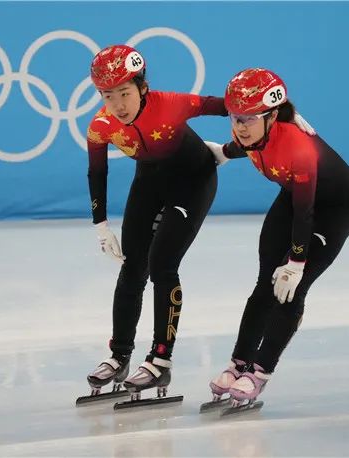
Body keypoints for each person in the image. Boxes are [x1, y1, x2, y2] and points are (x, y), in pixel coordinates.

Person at [205, 68, 349, 406]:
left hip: (334, 208)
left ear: (272, 116)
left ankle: (260, 371)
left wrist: (296, 261)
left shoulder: (299, 148)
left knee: (291, 287)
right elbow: (245, 144)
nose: (240, 126)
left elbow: (306, 213)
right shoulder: (254, 134)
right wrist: (222, 152)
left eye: (248, 118)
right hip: (294, 197)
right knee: (265, 283)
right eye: (235, 117)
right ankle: (239, 363)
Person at [85, 44, 229, 397]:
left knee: (163, 265)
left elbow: (226, 105)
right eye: (108, 95)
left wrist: (281, 114)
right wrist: (100, 224)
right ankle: (120, 355)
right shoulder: (101, 126)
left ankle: (160, 362)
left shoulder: (171, 103)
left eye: (124, 93)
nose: (118, 104)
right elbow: (96, 172)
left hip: (193, 181)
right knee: (133, 267)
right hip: (149, 181)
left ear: (142, 88)